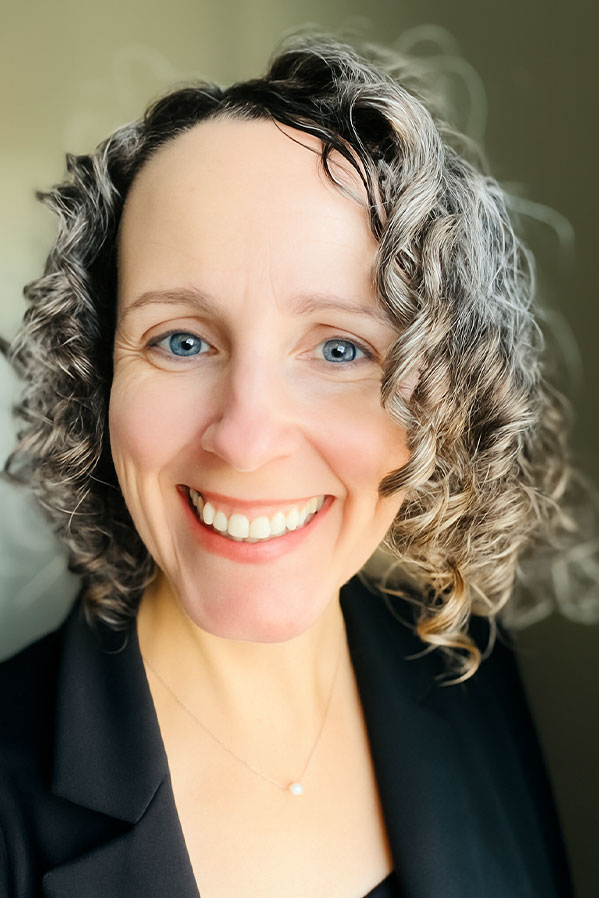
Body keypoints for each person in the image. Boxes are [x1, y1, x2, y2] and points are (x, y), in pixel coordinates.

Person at [0, 32, 582, 897]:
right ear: (97, 377)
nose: (245, 437)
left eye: (341, 348)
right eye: (182, 340)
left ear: (441, 396)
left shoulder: (470, 672)